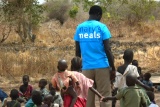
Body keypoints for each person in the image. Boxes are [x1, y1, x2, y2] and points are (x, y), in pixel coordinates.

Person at [74, 5, 115, 107]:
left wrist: (78, 69)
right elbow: (107, 49)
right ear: (98, 14)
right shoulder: (102, 27)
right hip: (102, 67)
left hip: (86, 68)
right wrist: (112, 67)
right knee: (104, 96)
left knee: (87, 97)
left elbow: (77, 51)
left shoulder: (80, 28)